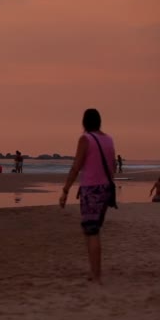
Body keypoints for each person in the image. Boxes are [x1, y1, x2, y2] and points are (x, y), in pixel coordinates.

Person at [60, 108, 116, 285]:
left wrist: (65, 190)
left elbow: (76, 167)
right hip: (106, 189)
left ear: (84, 122)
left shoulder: (85, 139)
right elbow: (113, 165)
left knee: (92, 232)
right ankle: (94, 272)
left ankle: (96, 275)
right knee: (93, 230)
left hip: (91, 190)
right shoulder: (108, 139)